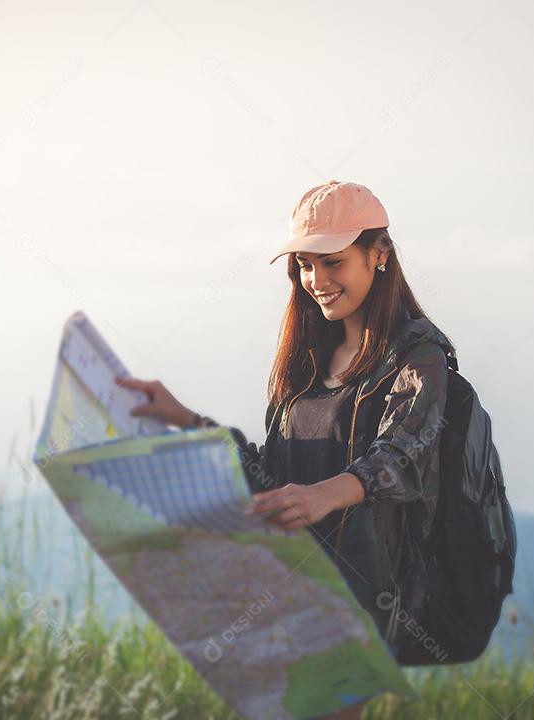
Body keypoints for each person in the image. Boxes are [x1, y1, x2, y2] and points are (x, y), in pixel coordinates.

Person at [116, 180, 457, 719]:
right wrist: (185, 420)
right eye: (304, 264)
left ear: (380, 255)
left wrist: (327, 495)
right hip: (290, 588)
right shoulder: (308, 358)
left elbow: (405, 452)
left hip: (365, 595)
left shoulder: (418, 355)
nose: (316, 281)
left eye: (333, 262)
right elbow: (270, 472)